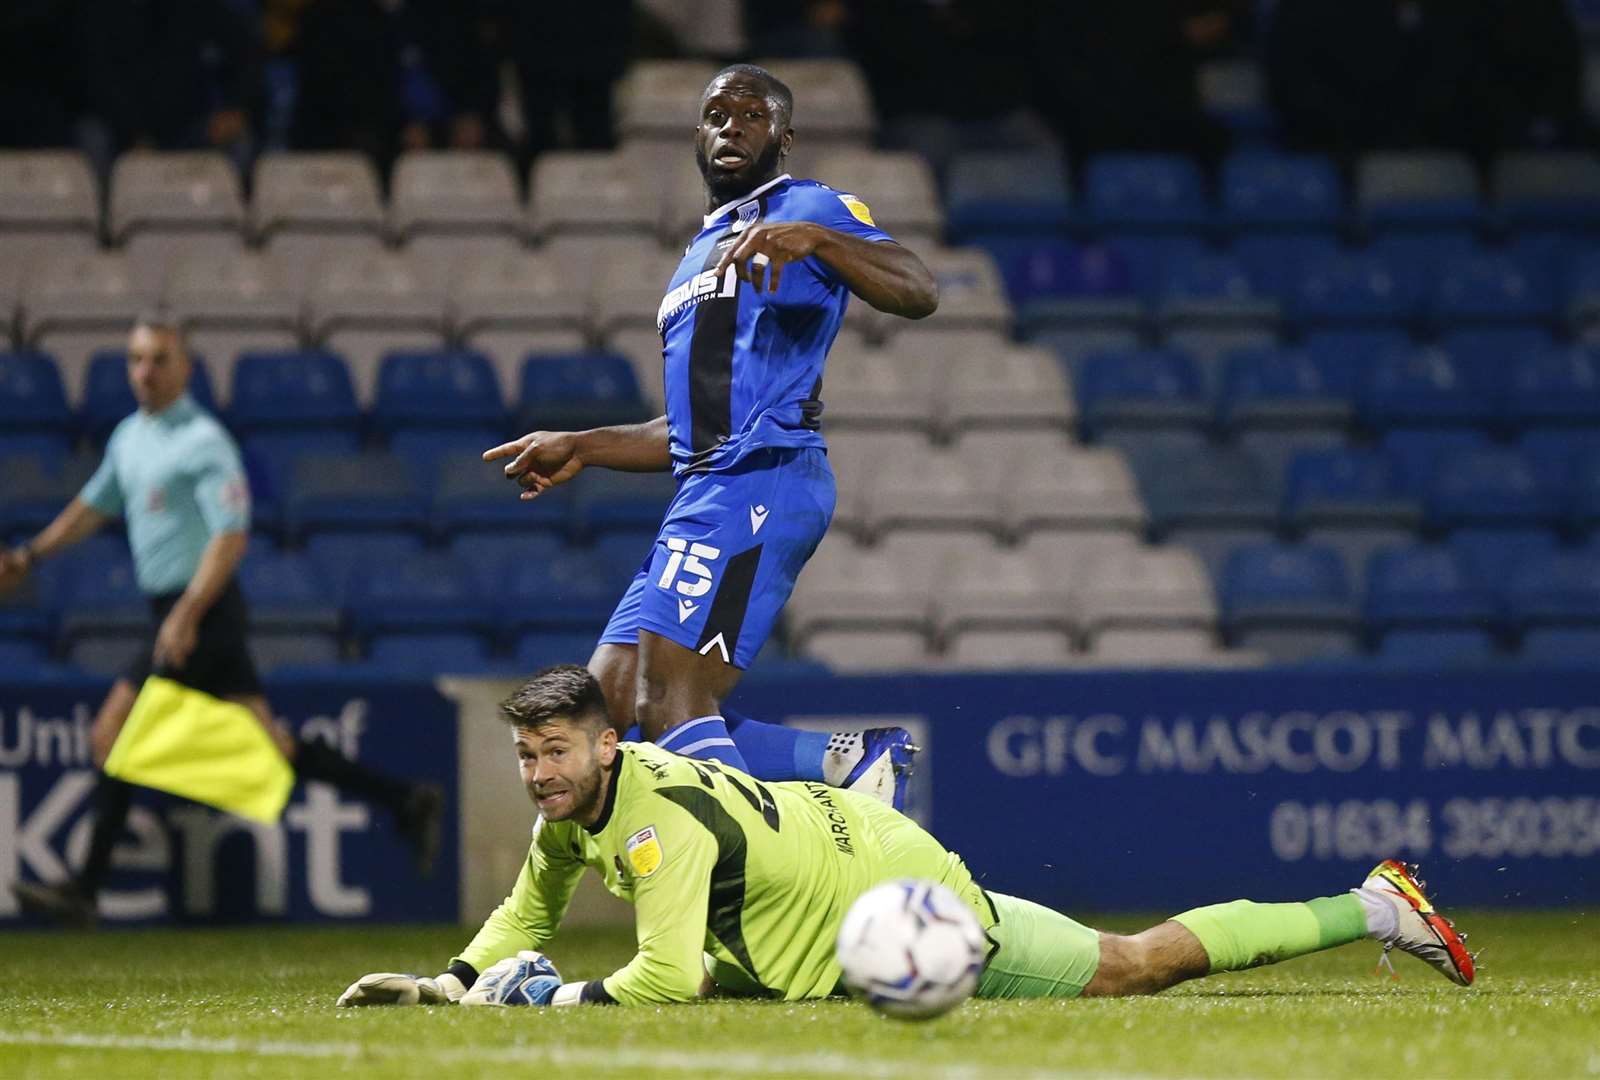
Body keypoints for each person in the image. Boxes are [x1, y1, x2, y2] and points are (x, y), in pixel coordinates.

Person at [337, 664, 1476, 1009]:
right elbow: (530, 911)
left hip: (895, 886)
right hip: (828, 867)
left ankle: (1376, 905)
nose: (538, 774)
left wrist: (543, 1003)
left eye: (555, 754)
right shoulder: (579, 810)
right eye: (525, 757)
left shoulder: (653, 824)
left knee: (1129, 966)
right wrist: (452, 979)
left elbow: (666, 976)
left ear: (603, 748)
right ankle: (1374, 900)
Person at [484, 64, 939, 805]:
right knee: (610, 711)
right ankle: (842, 760)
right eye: (717, 116)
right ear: (698, 134)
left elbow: (919, 289)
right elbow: (693, 430)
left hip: (762, 478)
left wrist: (819, 243)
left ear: (784, 138)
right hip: (707, 488)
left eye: (752, 116)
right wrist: (585, 444)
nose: (732, 127)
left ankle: (740, 897)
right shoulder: (696, 259)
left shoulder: (807, 206)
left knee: (668, 700)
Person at [1, 311, 442, 928]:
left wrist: (185, 614)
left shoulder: (204, 442)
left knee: (113, 734)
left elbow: (230, 536)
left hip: (202, 610)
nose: (145, 372)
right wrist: (28, 556)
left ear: (186, 366)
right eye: (136, 359)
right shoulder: (131, 436)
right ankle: (405, 799)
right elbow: (91, 507)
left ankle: (85, 887)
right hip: (179, 611)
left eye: (158, 359)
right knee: (272, 745)